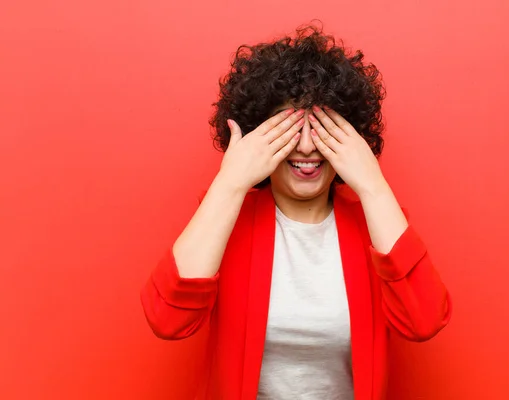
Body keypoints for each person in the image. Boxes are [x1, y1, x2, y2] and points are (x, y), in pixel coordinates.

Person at [141, 24, 452, 400]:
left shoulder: (376, 222)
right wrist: (230, 183)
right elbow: (168, 320)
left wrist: (372, 184)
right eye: (289, 129)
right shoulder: (228, 219)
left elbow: (425, 321)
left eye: (322, 129)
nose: (306, 147)